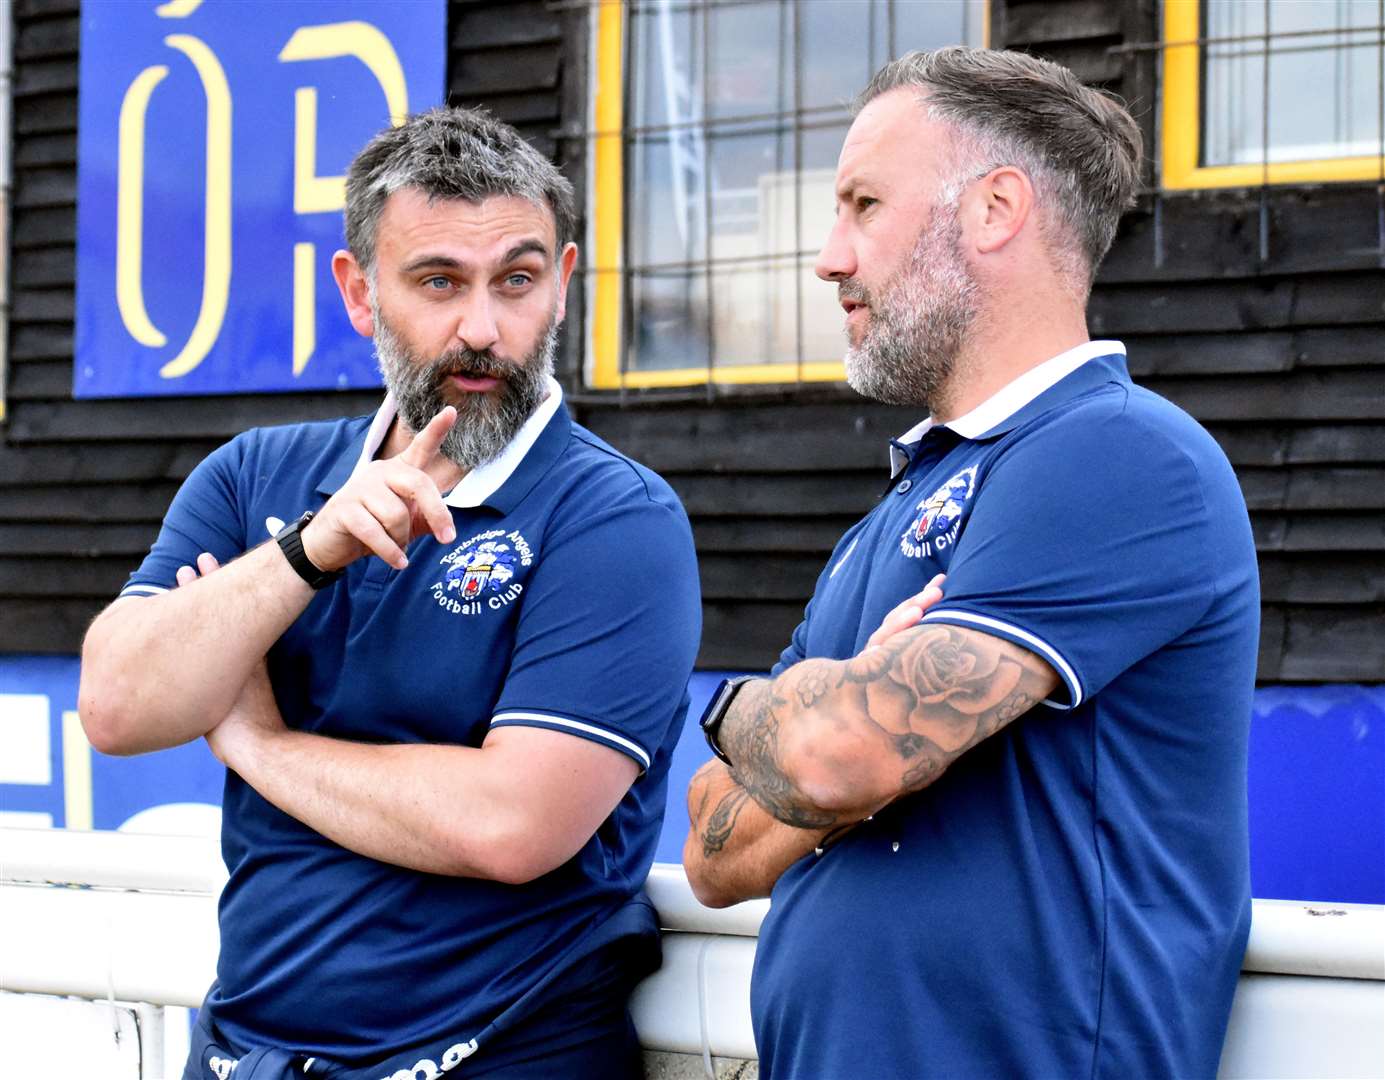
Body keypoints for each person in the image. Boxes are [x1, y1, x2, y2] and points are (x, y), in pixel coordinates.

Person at [79, 106, 702, 1080]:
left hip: (502, 1058)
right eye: (438, 282)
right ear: (360, 293)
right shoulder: (256, 479)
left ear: (563, 284)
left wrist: (257, 741)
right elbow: (118, 706)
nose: (483, 329)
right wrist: (306, 553)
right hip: (247, 1055)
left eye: (518, 281)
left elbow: (512, 825)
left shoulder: (614, 519)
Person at [684, 47, 1259, 1079]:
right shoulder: (901, 507)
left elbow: (825, 761)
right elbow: (712, 856)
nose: (828, 258)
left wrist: (751, 713)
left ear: (994, 209)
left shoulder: (1118, 453)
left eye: (862, 204)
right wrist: (833, 719)